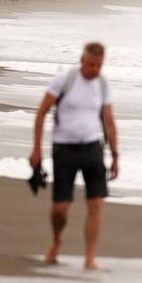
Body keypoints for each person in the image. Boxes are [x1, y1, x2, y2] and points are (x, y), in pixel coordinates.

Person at [28, 42, 119, 270]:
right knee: (61, 207)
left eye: (98, 65)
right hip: (64, 148)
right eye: (90, 64)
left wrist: (116, 155)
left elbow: (108, 120)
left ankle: (90, 257)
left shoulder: (103, 84)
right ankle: (57, 240)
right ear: (81, 61)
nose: (94, 69)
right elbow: (41, 113)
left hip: (92, 147)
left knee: (96, 203)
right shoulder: (65, 79)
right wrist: (36, 149)